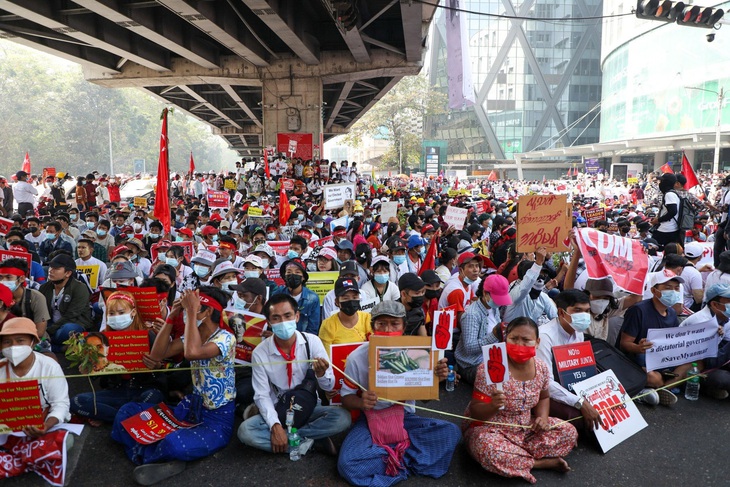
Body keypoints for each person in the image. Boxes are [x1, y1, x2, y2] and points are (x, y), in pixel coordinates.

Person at [112, 287, 235, 485]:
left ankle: (149, 452)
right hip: (190, 410)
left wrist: (192, 312)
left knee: (175, 443)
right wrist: (172, 316)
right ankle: (154, 456)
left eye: (191, 309)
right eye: (186, 309)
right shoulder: (192, 336)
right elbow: (157, 355)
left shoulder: (226, 338)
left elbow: (192, 353)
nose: (187, 313)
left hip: (216, 419)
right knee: (127, 413)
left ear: (208, 311)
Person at [337, 301, 461, 486]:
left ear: (404, 327)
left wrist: (435, 381)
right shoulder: (357, 357)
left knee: (451, 432)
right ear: (372, 327)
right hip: (371, 421)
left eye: (394, 323)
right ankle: (405, 457)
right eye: (381, 323)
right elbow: (346, 398)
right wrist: (362, 402)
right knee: (347, 464)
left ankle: (392, 458)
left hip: (405, 419)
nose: (388, 329)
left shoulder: (419, 353)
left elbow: (426, 401)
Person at [463, 317, 578, 484]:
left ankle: (517, 456)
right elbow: (475, 412)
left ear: (537, 342)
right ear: (505, 339)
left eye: (526, 340)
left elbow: (544, 397)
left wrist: (542, 419)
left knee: (568, 431)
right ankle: (539, 463)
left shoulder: (541, 368)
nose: (519, 344)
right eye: (514, 338)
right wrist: (493, 406)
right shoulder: (490, 367)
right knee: (488, 449)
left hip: (525, 427)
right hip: (490, 430)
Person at [237, 293, 351, 455]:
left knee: (342, 418)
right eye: (276, 318)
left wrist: (321, 374)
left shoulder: (312, 342)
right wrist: (275, 426)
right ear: (269, 322)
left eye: (288, 315)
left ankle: (293, 438)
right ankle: (309, 443)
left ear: (297, 316)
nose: (283, 322)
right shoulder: (260, 353)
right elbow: (262, 395)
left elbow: (329, 385)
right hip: (279, 407)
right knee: (245, 431)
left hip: (309, 404)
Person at [71, 291, 163, 425]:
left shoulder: (148, 335)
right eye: (111, 314)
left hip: (144, 390)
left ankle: (111, 416)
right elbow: (97, 373)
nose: (116, 317)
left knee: (154, 397)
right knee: (77, 401)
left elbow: (166, 371)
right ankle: (126, 417)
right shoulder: (100, 339)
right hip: (116, 392)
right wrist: (88, 368)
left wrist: (157, 367)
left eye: (121, 312)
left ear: (133, 312)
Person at [0, 318, 73, 481]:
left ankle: (16, 459)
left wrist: (46, 425)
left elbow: (60, 404)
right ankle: (26, 458)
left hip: (43, 428)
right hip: (8, 431)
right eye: (7, 342)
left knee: (66, 441)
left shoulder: (48, 366)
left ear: (33, 342)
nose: (13, 347)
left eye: (20, 341)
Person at [535, 289, 604, 428]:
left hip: (571, 386)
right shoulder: (545, 336)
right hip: (546, 393)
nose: (584, 316)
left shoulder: (578, 332)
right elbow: (546, 382)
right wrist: (579, 402)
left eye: (587, 311)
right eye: (578, 310)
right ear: (561, 312)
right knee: (577, 417)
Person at [618, 269, 688, 405]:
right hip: (638, 360)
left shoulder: (672, 313)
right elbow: (624, 344)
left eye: (676, 288)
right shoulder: (638, 310)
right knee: (652, 377)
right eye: (668, 288)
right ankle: (661, 386)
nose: (673, 292)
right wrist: (639, 348)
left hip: (661, 359)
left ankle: (660, 388)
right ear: (654, 291)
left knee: (689, 364)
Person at [455, 274, 512, 384]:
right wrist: (494, 335)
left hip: (491, 356)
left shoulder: (493, 309)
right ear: (485, 293)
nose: (499, 303)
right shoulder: (472, 315)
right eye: (497, 298)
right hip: (471, 364)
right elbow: (469, 348)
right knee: (504, 380)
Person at [681, 282, 730, 399]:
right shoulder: (701, 322)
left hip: (713, 360)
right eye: (728, 301)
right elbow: (708, 361)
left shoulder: (725, 318)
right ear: (714, 304)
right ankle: (704, 388)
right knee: (723, 379)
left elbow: (724, 344)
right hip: (692, 366)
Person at [39, 254, 92, 353]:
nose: (50, 270)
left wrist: (47, 332)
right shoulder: (44, 288)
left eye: (56, 268)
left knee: (67, 330)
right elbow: (41, 312)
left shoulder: (80, 288)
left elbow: (72, 315)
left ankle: (47, 345)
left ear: (67, 273)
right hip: (50, 323)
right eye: (50, 267)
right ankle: (58, 348)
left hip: (74, 322)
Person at [502, 247, 558, 324]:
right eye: (537, 274)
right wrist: (538, 263)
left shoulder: (543, 297)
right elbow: (524, 288)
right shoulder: (515, 293)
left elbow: (556, 319)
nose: (541, 278)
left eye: (543, 275)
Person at [319, 277, 372, 354]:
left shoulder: (368, 319)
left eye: (355, 297)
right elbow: (326, 357)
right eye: (345, 298)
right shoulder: (328, 325)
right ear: (337, 302)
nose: (351, 301)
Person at [272, 259, 321, 334]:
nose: (293, 274)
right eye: (289, 272)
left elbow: (313, 329)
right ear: (284, 276)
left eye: (297, 272)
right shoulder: (277, 295)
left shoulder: (312, 298)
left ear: (303, 277)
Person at [651, 173, 681, 250]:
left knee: (653, 248)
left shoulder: (669, 194)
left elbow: (672, 211)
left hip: (666, 229)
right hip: (671, 228)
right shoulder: (673, 193)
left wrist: (658, 220)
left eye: (661, 181)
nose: (659, 183)